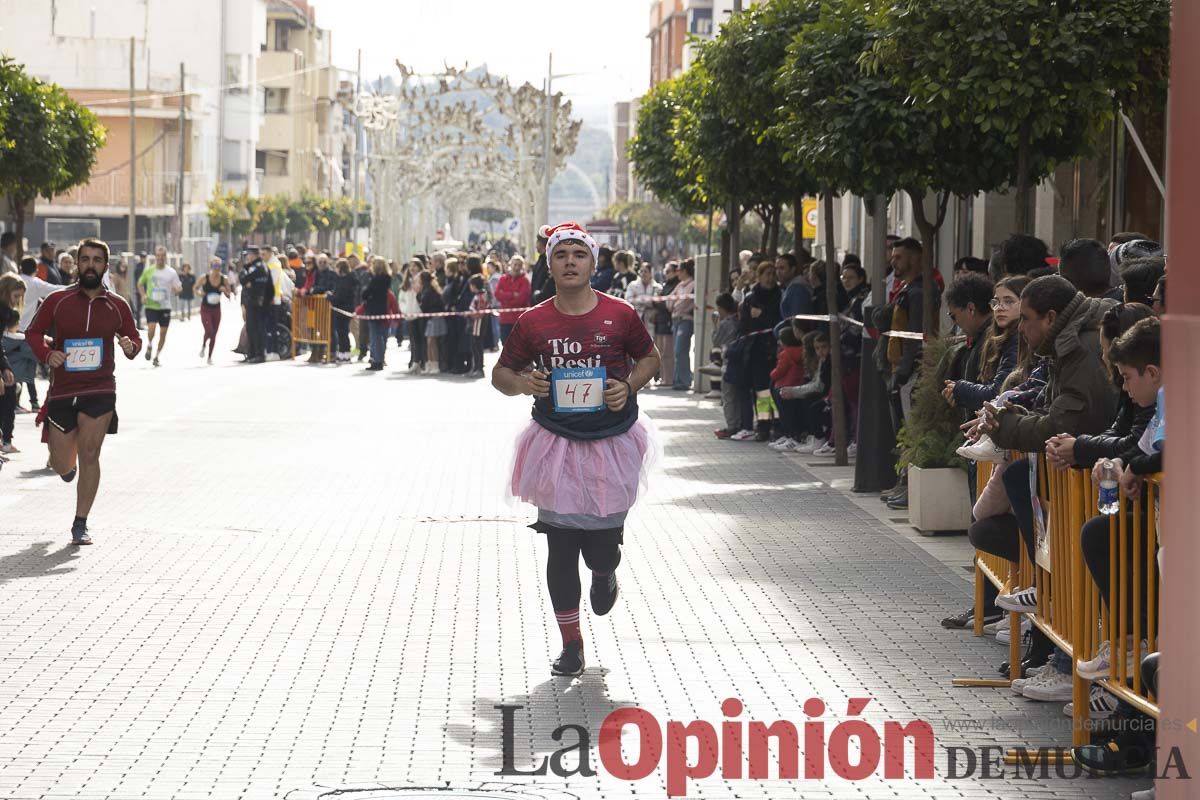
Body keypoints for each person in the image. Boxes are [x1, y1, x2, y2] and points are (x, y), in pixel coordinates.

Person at [491, 222, 662, 677]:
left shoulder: (621, 314)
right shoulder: (533, 321)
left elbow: (650, 359)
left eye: (578, 254)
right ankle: (571, 644)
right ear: (550, 264)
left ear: (593, 262)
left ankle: (607, 571)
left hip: (612, 442)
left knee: (600, 548)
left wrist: (627, 386)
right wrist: (525, 383)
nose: (570, 261)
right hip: (554, 442)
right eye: (561, 254)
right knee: (561, 546)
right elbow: (501, 374)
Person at [24, 238, 141, 545]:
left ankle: (81, 522)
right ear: (77, 264)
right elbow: (33, 332)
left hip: (100, 388)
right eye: (85, 259)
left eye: (97, 260)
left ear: (106, 265)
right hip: (63, 390)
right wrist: (48, 354)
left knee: (91, 452)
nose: (91, 264)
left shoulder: (117, 305)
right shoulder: (58, 300)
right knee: (61, 461)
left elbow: (134, 338)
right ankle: (67, 466)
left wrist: (131, 347)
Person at [138, 246, 182, 367]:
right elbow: (140, 283)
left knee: (163, 332)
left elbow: (178, 287)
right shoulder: (149, 270)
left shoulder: (171, 272)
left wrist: (177, 290)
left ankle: (157, 356)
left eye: (162, 256)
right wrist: (143, 295)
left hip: (165, 306)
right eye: (158, 256)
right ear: (155, 257)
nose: (160, 258)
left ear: (165, 257)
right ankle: (150, 344)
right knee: (151, 329)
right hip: (151, 304)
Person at [239, 248, 273, 364]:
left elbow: (243, 279)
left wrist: (247, 280)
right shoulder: (261, 266)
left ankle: (259, 354)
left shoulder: (256, 267)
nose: (247, 257)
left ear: (253, 255)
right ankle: (253, 353)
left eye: (248, 255)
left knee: (256, 328)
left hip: (256, 302)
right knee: (252, 328)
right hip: (257, 302)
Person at [667, 259, 696, 390]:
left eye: (679, 270)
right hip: (675, 320)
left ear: (684, 271)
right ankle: (678, 380)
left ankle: (685, 380)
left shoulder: (693, 284)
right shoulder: (680, 285)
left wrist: (676, 304)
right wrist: (675, 304)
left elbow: (683, 304)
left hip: (685, 320)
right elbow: (669, 301)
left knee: (681, 350)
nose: (677, 272)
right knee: (676, 351)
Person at [198, 259, 232, 364]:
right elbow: (195, 288)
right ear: (211, 267)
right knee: (209, 330)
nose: (217, 269)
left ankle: (209, 357)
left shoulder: (224, 279)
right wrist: (200, 293)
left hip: (216, 309)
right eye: (214, 266)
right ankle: (204, 345)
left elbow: (229, 295)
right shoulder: (204, 278)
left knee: (214, 333)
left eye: (218, 267)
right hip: (205, 308)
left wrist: (224, 290)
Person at [651, 262, 678, 386]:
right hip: (660, 320)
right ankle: (663, 377)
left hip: (668, 320)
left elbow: (666, 303)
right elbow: (659, 301)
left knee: (668, 352)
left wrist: (658, 302)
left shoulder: (675, 285)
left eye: (668, 272)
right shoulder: (666, 285)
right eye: (665, 272)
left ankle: (669, 378)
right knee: (661, 351)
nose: (665, 274)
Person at [362, 257, 392, 371]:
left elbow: (366, 292)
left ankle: (377, 360)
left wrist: (365, 293)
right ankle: (379, 358)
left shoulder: (376, 279)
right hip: (382, 308)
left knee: (375, 336)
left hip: (374, 309)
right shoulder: (387, 279)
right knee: (380, 336)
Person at [495, 255, 531, 343]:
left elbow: (522, 299)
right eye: (515, 264)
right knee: (505, 344)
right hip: (505, 319)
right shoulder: (503, 278)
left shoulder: (525, 280)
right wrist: (512, 295)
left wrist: (505, 297)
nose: (516, 267)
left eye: (519, 265)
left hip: (519, 320)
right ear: (510, 265)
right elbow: (497, 294)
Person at [417, 269, 445, 374]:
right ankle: (429, 364)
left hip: (434, 318)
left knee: (432, 342)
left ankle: (435, 364)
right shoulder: (426, 289)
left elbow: (424, 305)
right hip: (430, 319)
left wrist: (418, 296)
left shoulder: (430, 290)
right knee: (429, 343)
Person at [329, 259, 358, 363]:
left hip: (343, 309)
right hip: (346, 308)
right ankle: (344, 353)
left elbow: (340, 297)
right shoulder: (348, 279)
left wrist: (330, 297)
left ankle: (344, 353)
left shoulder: (345, 281)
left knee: (342, 332)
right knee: (343, 332)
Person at [467, 274, 489, 377]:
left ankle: (479, 368)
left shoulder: (481, 296)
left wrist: (472, 315)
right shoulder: (479, 295)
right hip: (475, 324)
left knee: (477, 346)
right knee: (474, 345)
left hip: (478, 324)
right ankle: (475, 367)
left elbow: (480, 312)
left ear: (474, 285)